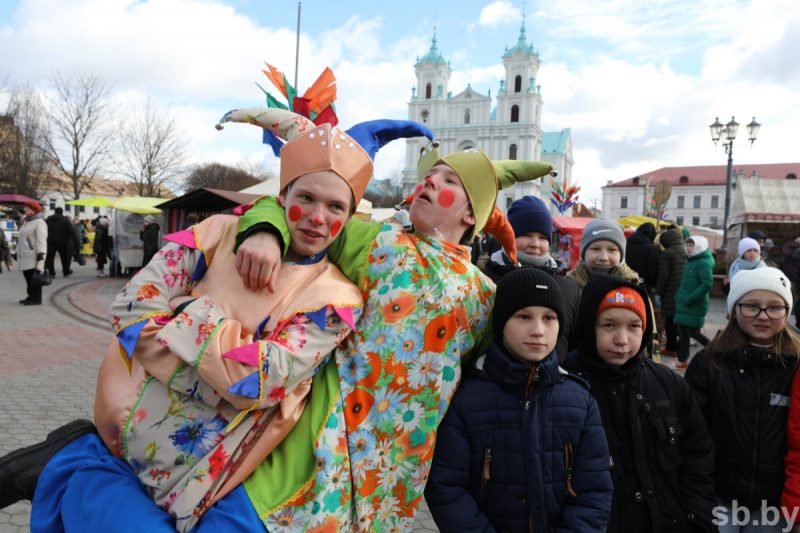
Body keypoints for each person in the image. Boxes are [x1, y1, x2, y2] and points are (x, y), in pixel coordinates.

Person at [231, 140, 555, 528]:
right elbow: (292, 208)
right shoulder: (376, 241)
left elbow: (501, 374)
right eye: (429, 176)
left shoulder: (485, 297)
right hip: (316, 445)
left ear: (471, 214)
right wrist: (265, 232)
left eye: (449, 180)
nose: (430, 182)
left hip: (393, 478)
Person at [425, 268, 613, 531]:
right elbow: (446, 488)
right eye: (524, 317)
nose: (538, 330)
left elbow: (594, 490)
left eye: (549, 318)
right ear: (501, 323)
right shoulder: (465, 401)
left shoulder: (581, 402)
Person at [564, 274, 717, 532]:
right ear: (589, 325)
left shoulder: (668, 384)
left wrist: (697, 519)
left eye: (634, 326)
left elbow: (697, 457)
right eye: (609, 325)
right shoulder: (564, 385)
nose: (622, 339)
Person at [686, 267, 798, 532]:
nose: (763, 315)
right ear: (734, 309)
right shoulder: (709, 362)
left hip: (774, 503)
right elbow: (691, 431)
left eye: (775, 307)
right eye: (751, 306)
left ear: (787, 312)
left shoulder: (795, 364)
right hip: (718, 495)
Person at [483, 195, 580, 361]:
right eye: (526, 235)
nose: (535, 244)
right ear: (508, 236)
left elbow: (573, 346)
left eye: (542, 237)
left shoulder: (568, 289)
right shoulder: (485, 282)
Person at [672, 235, 715, 369]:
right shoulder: (690, 261)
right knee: (683, 333)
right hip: (684, 303)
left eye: (692, 245)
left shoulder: (703, 262)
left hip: (694, 304)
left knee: (693, 332)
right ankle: (682, 360)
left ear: (699, 247)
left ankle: (715, 351)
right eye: (688, 245)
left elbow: (707, 284)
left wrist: (689, 299)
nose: (689, 248)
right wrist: (679, 296)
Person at [565, 218, 640, 289]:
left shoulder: (632, 285)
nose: (603, 257)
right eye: (595, 249)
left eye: (612, 250)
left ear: (621, 256)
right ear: (583, 254)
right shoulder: (567, 286)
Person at [655, 227, 686, 357]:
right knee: (681, 321)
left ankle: (671, 348)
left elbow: (663, 276)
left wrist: (658, 293)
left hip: (670, 292)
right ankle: (681, 347)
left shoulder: (667, 253)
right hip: (684, 291)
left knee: (670, 321)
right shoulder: (686, 251)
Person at [16, 201, 48, 305]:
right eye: (25, 207)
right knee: (28, 278)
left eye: (27, 208)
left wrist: (40, 257)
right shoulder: (27, 221)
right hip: (25, 255)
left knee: (34, 278)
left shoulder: (39, 222)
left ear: (34, 210)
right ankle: (31, 296)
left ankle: (36, 299)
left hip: (33, 256)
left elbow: (41, 241)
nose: (25, 209)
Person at [44, 206, 79, 278]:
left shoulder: (48, 220)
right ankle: (66, 271)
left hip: (50, 241)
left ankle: (51, 272)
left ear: (55, 212)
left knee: (49, 258)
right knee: (65, 257)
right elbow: (73, 232)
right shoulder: (66, 221)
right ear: (62, 212)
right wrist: (77, 242)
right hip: (63, 242)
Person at [626, 222, 661, 291]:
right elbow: (652, 269)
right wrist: (653, 284)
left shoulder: (627, 243)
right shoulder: (651, 248)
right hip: (644, 285)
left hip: (626, 281)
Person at [781, 237, 800, 328]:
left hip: (787, 276)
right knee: (797, 299)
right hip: (796, 279)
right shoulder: (798, 252)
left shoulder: (787, 250)